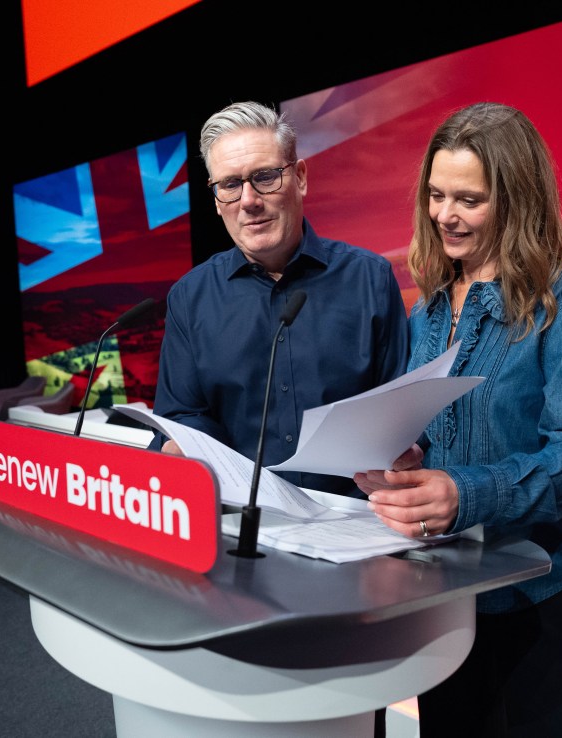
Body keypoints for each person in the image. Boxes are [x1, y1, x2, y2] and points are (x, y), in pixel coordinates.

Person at [355, 102, 562, 737]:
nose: (445, 214)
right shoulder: (426, 312)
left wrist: (465, 492)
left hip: (544, 599)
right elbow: (432, 437)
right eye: (437, 195)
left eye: (468, 199)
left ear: (515, 201)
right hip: (448, 598)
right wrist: (400, 460)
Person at [150, 100, 409, 502]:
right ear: (216, 199)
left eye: (265, 177)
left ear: (300, 177)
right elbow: (183, 414)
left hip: (358, 520)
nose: (248, 200)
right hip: (240, 521)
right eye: (230, 185)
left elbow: (401, 408)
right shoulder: (189, 297)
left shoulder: (369, 279)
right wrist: (180, 446)